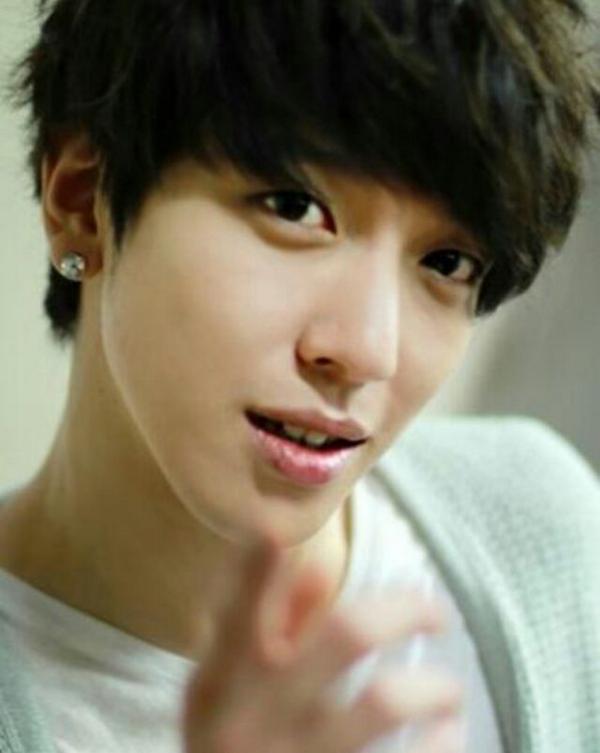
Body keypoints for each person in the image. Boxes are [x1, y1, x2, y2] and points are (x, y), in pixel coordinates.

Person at [0, 0, 599, 751]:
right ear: (82, 200)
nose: (367, 351)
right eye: (295, 209)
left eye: (447, 262)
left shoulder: (541, 526)